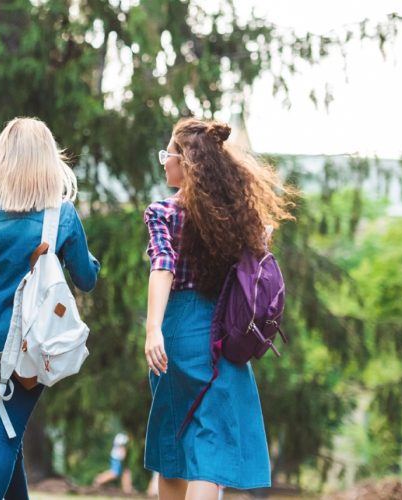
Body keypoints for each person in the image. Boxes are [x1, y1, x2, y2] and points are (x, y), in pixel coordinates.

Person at [0, 118, 100, 500]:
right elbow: (86, 279)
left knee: (7, 437)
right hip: (31, 350)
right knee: (5, 440)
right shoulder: (60, 216)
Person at [143, 118, 291, 499]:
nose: (164, 162)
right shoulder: (238, 219)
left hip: (177, 331)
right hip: (224, 334)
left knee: (173, 445)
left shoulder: (164, 212)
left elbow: (163, 266)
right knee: (212, 451)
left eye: (168, 154)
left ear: (185, 162)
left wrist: (153, 329)